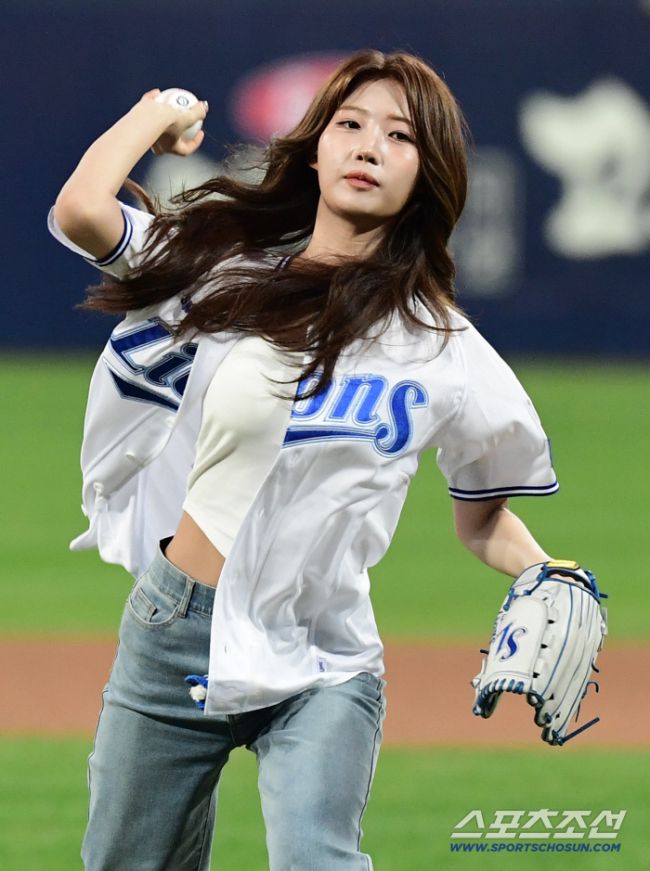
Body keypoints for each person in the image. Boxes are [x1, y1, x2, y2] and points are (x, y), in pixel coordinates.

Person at [49, 49, 560, 870]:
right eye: (349, 124)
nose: (368, 146)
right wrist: (161, 112)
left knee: (316, 857)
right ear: (315, 149)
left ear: (426, 175)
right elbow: (81, 211)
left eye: (399, 136)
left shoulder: (448, 351)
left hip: (324, 649)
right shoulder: (220, 273)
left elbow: (483, 517)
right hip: (177, 630)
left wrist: (548, 572)